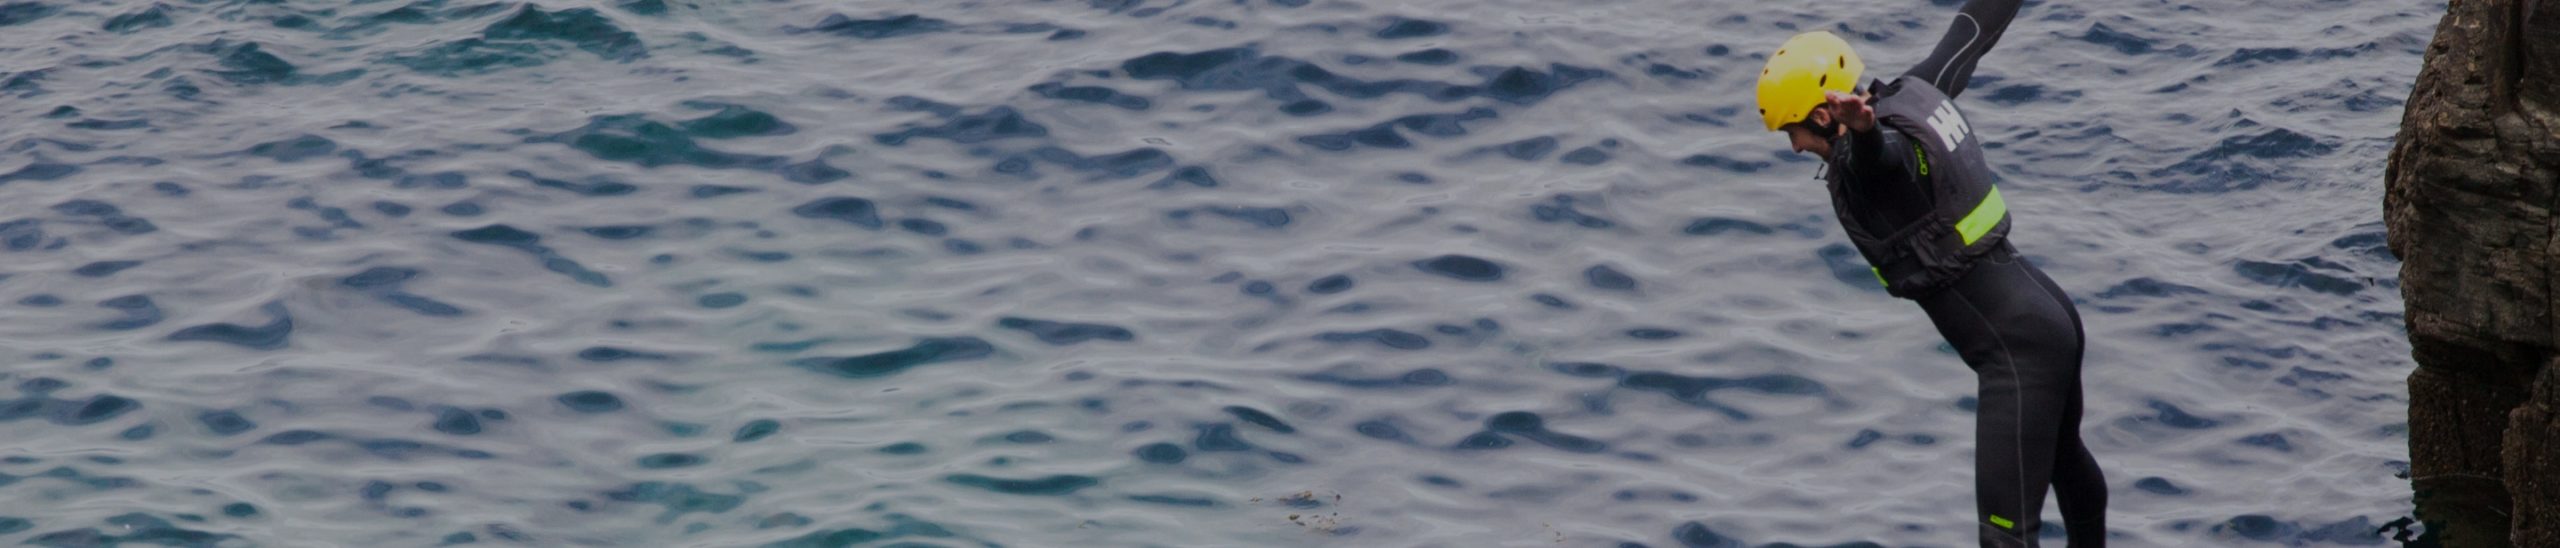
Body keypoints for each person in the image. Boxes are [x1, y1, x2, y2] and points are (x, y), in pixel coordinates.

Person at [1752, 1, 2107, 546]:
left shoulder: (1866, 159)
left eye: (1792, 132)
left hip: (2018, 355)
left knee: (2004, 535)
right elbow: (1972, 32)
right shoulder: (1917, 92)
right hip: (2052, 316)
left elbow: (1881, 159)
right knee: (2066, 462)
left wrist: (1865, 132)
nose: (1796, 146)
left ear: (1823, 116)